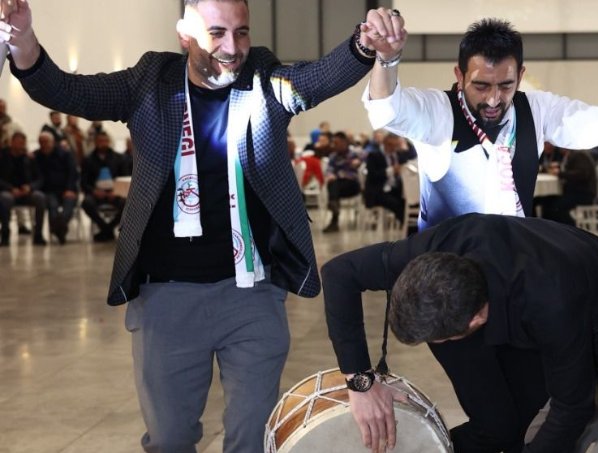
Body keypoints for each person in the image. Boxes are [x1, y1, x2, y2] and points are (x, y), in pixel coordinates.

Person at [0, 1, 405, 451]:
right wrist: (22, 37)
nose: (232, 47)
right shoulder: (149, 82)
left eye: (241, 32)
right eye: (217, 33)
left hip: (252, 294)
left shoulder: (262, 80)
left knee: (253, 436)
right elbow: (65, 90)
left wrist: (364, 44)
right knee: (170, 439)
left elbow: (315, 78)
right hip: (166, 298)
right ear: (185, 34)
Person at [323, 213, 598, 453]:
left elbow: (571, 408)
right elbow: (339, 274)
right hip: (583, 343)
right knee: (517, 435)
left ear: (476, 320)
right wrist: (361, 382)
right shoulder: (436, 250)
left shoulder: (549, 298)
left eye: (439, 340)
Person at [362, 18, 598, 231]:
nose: (493, 99)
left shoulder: (536, 109)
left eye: (506, 85)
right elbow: (386, 107)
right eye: (481, 86)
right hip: (445, 278)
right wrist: (387, 59)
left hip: (513, 263)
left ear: (520, 75)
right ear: (459, 75)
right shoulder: (437, 111)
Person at [0, 131, 47, 245]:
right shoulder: (2, 156)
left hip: (26, 192)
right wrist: (10, 188)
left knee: (40, 197)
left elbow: (40, 178)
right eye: (19, 143)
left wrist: (30, 187)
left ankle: (38, 234)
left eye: (23, 143)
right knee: (5, 199)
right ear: (12, 143)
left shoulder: (29, 158)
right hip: (9, 191)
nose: (21, 146)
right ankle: (5, 233)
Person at [32, 131, 78, 244]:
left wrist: (69, 189)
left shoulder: (65, 154)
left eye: (46, 142)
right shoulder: (37, 156)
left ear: (52, 142)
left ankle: (57, 228)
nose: (44, 145)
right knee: (52, 207)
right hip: (49, 190)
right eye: (41, 142)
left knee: (68, 205)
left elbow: (72, 173)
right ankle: (60, 230)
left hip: (67, 189)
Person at [79, 131, 126, 242]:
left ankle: (107, 229)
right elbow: (83, 182)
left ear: (109, 142)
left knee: (127, 204)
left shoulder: (119, 158)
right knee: (86, 203)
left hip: (114, 193)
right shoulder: (88, 159)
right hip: (96, 194)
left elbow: (124, 178)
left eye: (105, 141)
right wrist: (94, 191)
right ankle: (106, 229)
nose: (103, 143)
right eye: (100, 141)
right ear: (95, 142)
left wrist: (116, 191)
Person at [322, 131, 363, 232]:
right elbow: (329, 169)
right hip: (338, 186)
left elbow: (367, 156)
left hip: (352, 185)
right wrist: (330, 175)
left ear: (345, 142)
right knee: (333, 184)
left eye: (337, 143)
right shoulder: (333, 156)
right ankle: (334, 211)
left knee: (333, 187)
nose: (334, 145)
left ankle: (334, 216)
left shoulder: (354, 154)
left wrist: (359, 162)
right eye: (333, 143)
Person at [363, 132, 405, 224]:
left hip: (395, 189)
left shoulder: (398, 155)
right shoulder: (374, 155)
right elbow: (372, 176)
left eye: (396, 146)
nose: (393, 148)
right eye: (391, 145)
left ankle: (411, 227)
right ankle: (408, 228)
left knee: (408, 202)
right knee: (396, 204)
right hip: (378, 190)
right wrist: (391, 170)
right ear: (385, 143)